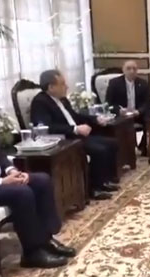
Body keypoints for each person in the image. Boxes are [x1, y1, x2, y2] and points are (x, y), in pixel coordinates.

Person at [0, 83, 75, 268]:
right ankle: (32, 253)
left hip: (2, 177)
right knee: (22, 193)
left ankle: (46, 239)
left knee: (42, 180)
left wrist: (11, 170)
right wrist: (1, 181)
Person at [30, 69, 119, 200]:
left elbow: (75, 116)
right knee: (99, 150)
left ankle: (104, 181)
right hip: (65, 141)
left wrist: (95, 119)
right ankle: (94, 189)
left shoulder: (62, 100)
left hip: (76, 137)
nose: (66, 87)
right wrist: (75, 129)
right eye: (62, 84)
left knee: (112, 143)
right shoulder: (40, 102)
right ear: (51, 87)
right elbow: (47, 127)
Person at [105, 60, 150, 156]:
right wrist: (119, 110)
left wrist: (138, 111)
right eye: (128, 68)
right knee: (120, 124)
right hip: (122, 114)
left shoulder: (143, 83)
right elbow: (109, 103)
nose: (132, 71)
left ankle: (143, 146)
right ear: (123, 70)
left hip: (137, 113)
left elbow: (147, 103)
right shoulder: (114, 83)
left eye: (134, 69)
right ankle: (125, 151)